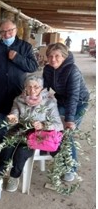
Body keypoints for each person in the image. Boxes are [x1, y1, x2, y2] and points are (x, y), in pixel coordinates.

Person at [0, 75, 64, 192]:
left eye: (36, 87)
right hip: (20, 130)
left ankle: (14, 176)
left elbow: (58, 124)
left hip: (38, 135)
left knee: (21, 151)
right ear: (25, 87)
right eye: (29, 87)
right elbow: (14, 113)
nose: (32, 90)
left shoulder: (49, 102)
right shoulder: (18, 99)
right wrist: (13, 119)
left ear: (41, 88)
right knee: (7, 145)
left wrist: (43, 125)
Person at [0, 18, 39, 144]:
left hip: (19, 93)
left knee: (19, 124)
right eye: (3, 32)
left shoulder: (25, 47)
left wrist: (17, 57)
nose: (6, 35)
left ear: (16, 30)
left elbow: (33, 66)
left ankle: (16, 149)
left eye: (10, 31)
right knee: (1, 124)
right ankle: (3, 149)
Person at [43, 42, 89, 181]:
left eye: (57, 56)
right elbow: (44, 89)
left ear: (64, 56)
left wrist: (69, 120)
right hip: (61, 99)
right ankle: (56, 152)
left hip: (79, 102)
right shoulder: (48, 69)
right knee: (54, 127)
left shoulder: (72, 70)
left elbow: (74, 96)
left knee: (68, 134)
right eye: (50, 56)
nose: (53, 59)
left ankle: (71, 168)